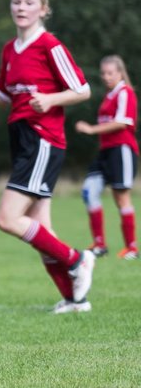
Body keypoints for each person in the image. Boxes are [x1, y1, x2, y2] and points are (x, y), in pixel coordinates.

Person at [0, 0, 96, 313]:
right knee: (41, 229)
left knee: (7, 218)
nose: (21, 8)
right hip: (20, 138)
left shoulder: (50, 45)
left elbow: (83, 90)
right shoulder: (10, 49)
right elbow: (2, 96)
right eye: (16, 2)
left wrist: (49, 99)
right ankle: (74, 299)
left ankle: (78, 259)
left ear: (43, 9)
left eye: (29, 3)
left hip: (43, 140)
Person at [76, 55, 137, 260]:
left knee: (121, 198)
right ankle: (99, 244)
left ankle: (131, 248)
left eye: (110, 73)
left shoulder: (125, 93)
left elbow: (122, 122)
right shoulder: (109, 96)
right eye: (103, 73)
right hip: (105, 152)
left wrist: (92, 129)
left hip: (122, 150)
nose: (106, 77)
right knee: (89, 191)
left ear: (120, 73)